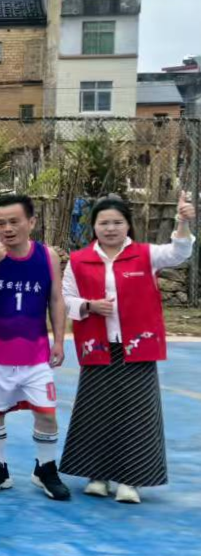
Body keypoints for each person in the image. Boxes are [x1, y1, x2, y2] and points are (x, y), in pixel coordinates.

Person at [60, 194, 194, 504]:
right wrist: (89, 306)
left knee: (137, 415)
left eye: (117, 222)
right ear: (94, 226)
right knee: (95, 413)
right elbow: (66, 299)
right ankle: (96, 476)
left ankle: (130, 481)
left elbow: (179, 252)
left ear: (128, 225)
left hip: (136, 348)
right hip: (98, 347)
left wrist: (183, 222)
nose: (110, 228)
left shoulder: (146, 255)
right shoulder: (78, 260)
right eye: (103, 223)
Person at [0, 194, 70, 500]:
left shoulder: (47, 256)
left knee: (47, 413)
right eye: (0, 223)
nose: (7, 228)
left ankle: (45, 469)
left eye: (14, 221)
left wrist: (59, 340)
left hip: (35, 355)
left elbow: (56, 299)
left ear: (31, 222)